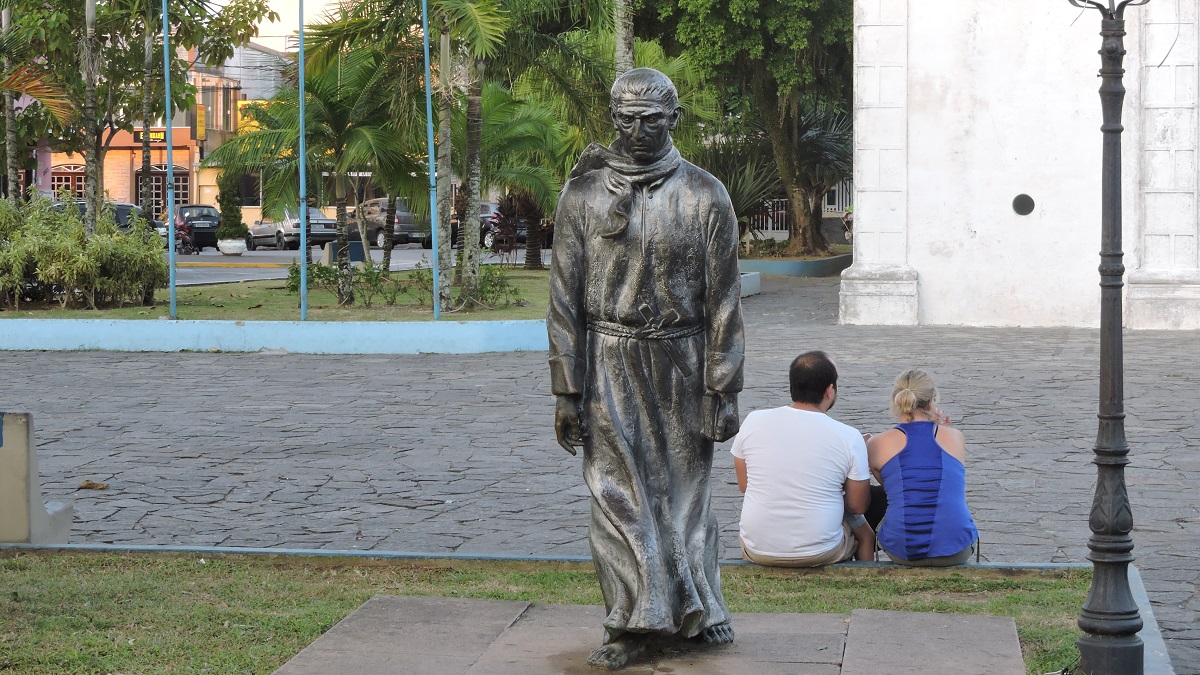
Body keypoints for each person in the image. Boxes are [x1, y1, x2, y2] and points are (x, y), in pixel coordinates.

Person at [547, 68, 744, 669]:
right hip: (608, 359)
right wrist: (567, 391)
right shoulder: (581, 198)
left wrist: (722, 387)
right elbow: (563, 300)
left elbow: (725, 302)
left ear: (674, 118)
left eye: (651, 119)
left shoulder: (706, 195)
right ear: (613, 117)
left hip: (682, 362)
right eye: (626, 118)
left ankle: (698, 608)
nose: (637, 131)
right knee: (617, 496)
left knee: (685, 495)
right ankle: (629, 621)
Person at [730, 351, 875, 567]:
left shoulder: (753, 421)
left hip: (757, 548)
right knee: (863, 532)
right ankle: (865, 578)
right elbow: (857, 506)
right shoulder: (849, 436)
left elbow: (745, 485)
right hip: (820, 550)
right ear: (829, 390)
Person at [867, 369, 979, 566]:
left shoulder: (876, 444)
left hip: (902, 550)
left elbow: (893, 487)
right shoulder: (955, 437)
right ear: (932, 401)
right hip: (955, 548)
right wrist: (940, 428)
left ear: (896, 400)